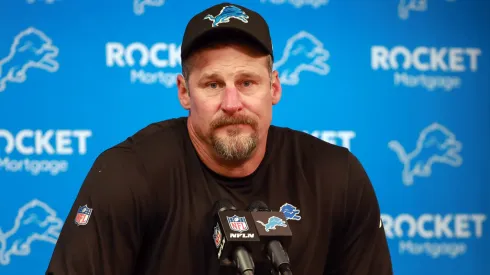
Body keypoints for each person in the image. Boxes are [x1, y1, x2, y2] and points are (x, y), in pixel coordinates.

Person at [45, 2, 393, 275]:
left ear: (273, 87)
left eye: (247, 82)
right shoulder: (128, 174)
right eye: (213, 84)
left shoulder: (336, 177)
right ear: (184, 92)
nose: (231, 103)